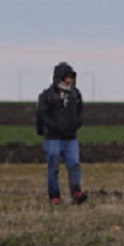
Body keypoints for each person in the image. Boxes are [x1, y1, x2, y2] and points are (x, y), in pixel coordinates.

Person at [36, 61, 88, 205]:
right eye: (67, 77)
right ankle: (54, 197)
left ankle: (76, 192)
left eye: (71, 77)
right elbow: (42, 115)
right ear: (59, 77)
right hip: (53, 138)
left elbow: (80, 111)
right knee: (53, 167)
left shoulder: (75, 94)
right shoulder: (46, 95)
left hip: (71, 138)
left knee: (74, 164)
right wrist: (50, 128)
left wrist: (77, 123)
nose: (69, 80)